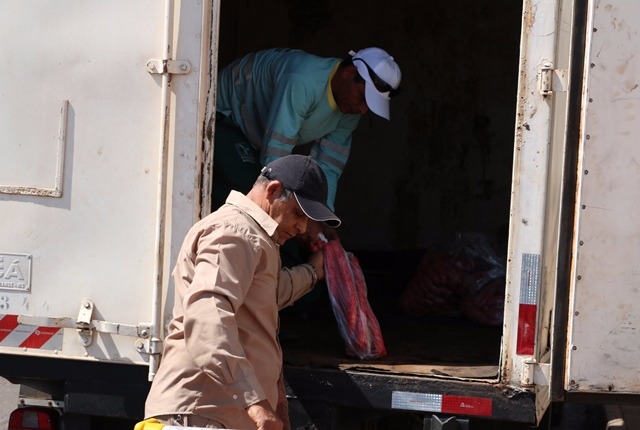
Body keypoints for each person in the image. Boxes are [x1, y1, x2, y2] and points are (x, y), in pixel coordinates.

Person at [144, 154, 341, 429]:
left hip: (216, 415)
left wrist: (314, 272)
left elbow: (266, 296)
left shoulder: (255, 238)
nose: (303, 228)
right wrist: (256, 404)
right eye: (299, 214)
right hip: (201, 415)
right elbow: (207, 319)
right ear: (273, 191)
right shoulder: (234, 232)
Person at [211, 46, 402, 218]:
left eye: (369, 105)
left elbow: (329, 167)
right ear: (350, 73)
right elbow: (276, 154)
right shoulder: (303, 80)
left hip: (256, 138)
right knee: (255, 198)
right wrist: (297, 214)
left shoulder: (349, 109)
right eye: (363, 98)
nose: (362, 110)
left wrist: (323, 218)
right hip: (223, 117)